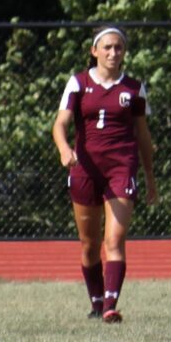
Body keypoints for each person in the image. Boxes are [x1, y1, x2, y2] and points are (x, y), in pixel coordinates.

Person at [52, 26, 153, 322]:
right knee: (89, 245)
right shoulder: (78, 83)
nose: (113, 53)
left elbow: (143, 135)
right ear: (94, 51)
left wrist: (150, 176)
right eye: (107, 47)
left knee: (115, 240)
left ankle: (110, 305)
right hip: (85, 169)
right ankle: (96, 302)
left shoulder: (133, 89)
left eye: (118, 48)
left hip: (121, 168)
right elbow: (60, 124)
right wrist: (63, 149)